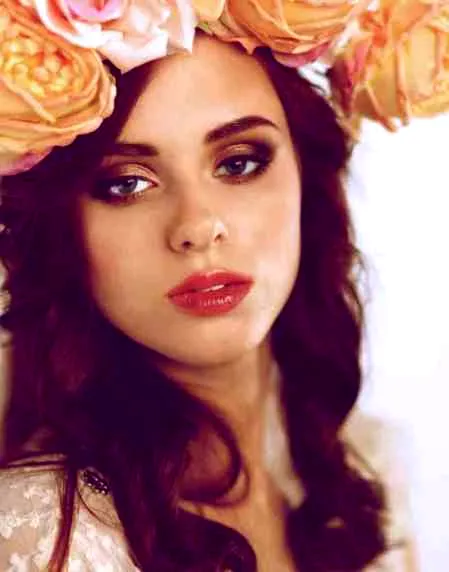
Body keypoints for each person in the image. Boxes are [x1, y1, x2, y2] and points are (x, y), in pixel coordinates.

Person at [0, 1, 424, 571]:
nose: (198, 226)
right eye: (127, 184)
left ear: (307, 177)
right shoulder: (45, 534)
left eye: (239, 163)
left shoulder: (367, 473)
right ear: (63, 228)